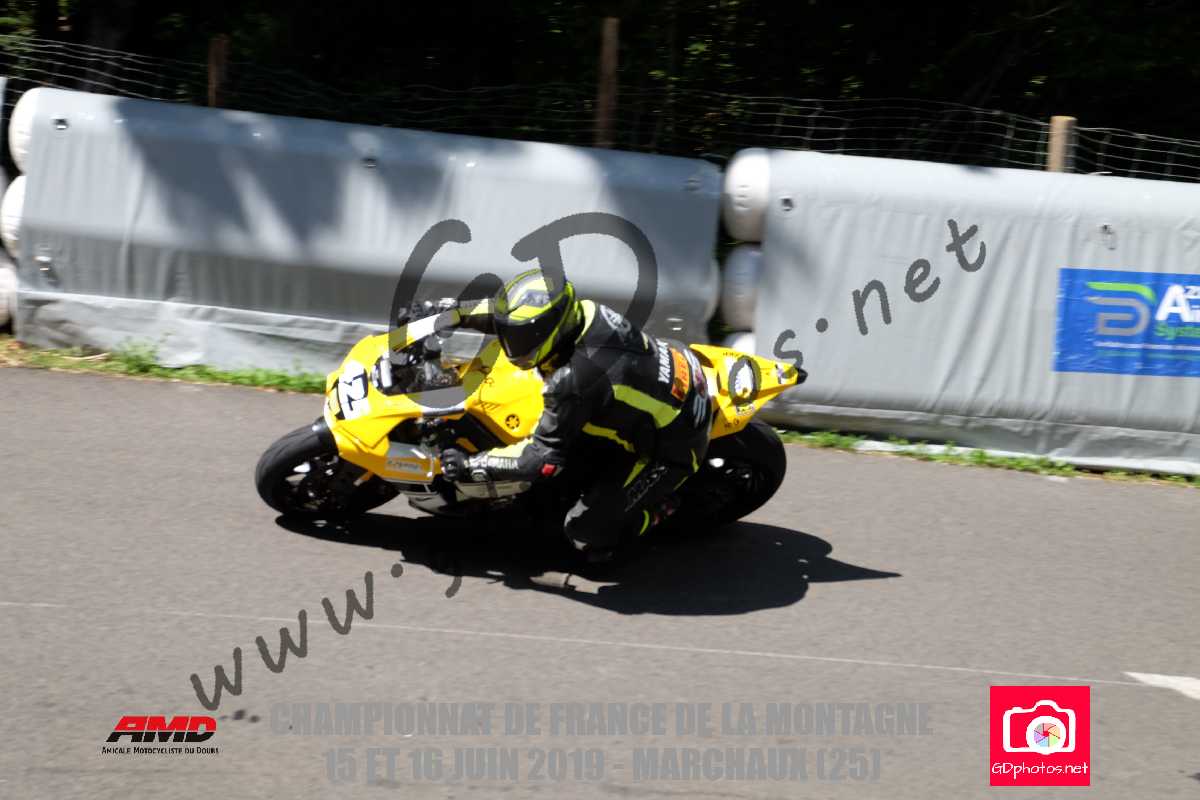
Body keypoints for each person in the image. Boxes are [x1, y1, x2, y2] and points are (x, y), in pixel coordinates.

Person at [439, 268, 712, 560]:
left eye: (520, 338)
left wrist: (471, 463)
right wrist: (450, 313)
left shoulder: (574, 379)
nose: (510, 344)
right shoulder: (583, 312)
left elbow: (539, 460)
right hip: (676, 368)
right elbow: (510, 319)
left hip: (675, 443)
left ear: (548, 332)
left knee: (585, 533)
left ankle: (657, 512)